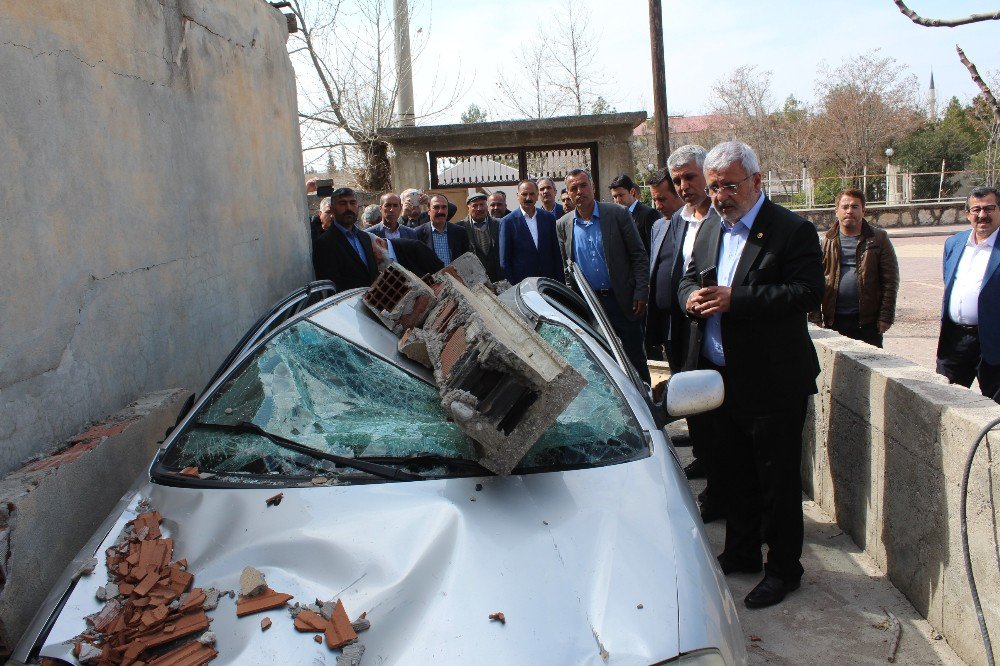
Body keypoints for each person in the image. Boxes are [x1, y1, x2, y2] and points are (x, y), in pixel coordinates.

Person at [677, 141, 823, 609]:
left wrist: (736, 300)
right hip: (721, 377)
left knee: (776, 482)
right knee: (734, 472)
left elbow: (805, 294)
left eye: (730, 186)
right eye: (715, 186)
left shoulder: (791, 230)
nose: (720, 195)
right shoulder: (709, 230)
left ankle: (784, 569)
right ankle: (741, 553)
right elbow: (687, 278)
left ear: (757, 182)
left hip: (774, 381)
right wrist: (689, 300)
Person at [647, 147, 721, 515]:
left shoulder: (723, 220)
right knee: (689, 400)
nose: (684, 186)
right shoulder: (676, 221)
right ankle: (707, 467)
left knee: (715, 413)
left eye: (690, 178)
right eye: (678, 180)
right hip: (678, 329)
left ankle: (720, 488)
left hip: (714, 334)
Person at [557, 168, 651, 383]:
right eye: (574, 188)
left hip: (624, 301)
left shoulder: (617, 214)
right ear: (569, 194)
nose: (579, 191)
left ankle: (647, 403)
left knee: (634, 357)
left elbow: (638, 255)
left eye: (583, 185)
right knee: (603, 364)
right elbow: (568, 269)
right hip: (592, 307)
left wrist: (641, 291)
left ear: (592, 187)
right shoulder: (563, 225)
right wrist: (575, 305)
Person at [936, 185, 1000, 402]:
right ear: (967, 214)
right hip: (955, 341)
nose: (982, 215)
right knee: (945, 401)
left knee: (994, 410)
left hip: (993, 341)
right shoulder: (954, 243)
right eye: (976, 210)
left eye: (989, 208)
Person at [818, 188, 899, 347]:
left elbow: (890, 281)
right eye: (845, 207)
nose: (849, 211)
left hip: (867, 323)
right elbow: (815, 280)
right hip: (834, 320)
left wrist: (885, 316)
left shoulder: (879, 239)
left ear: (863, 210)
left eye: (855, 207)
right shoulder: (825, 241)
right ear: (836, 211)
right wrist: (814, 316)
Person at [499, 180, 565, 285]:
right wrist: (513, 286)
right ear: (517, 195)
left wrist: (560, 283)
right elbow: (504, 261)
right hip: (523, 285)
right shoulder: (507, 222)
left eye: (532, 194)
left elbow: (556, 254)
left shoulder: (548, 218)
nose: (528, 198)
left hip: (548, 283)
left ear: (537, 195)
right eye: (524, 194)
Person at [312, 188, 379, 290]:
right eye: (342, 203)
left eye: (352, 203)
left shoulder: (365, 237)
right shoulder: (324, 243)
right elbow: (330, 286)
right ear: (332, 208)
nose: (348, 208)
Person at [609, 173, 661, 252]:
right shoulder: (615, 217)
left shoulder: (649, 214)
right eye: (615, 197)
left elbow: (654, 249)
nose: (618, 200)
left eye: (621, 195)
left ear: (632, 192)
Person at [415, 194, 471, 265]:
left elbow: (466, 260)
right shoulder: (418, 233)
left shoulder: (460, 232)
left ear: (447, 210)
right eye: (436, 207)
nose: (440, 211)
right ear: (429, 211)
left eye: (444, 207)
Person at [458, 193, 503, 282]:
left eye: (482, 204)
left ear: (487, 206)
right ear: (468, 208)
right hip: (474, 281)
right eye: (475, 205)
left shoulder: (500, 224)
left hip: (499, 278)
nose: (479, 209)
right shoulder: (460, 228)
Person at [370, 235, 444, 276]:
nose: (375, 261)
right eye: (369, 257)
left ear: (379, 242)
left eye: (373, 254)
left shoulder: (415, 247)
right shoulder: (376, 268)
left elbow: (441, 273)